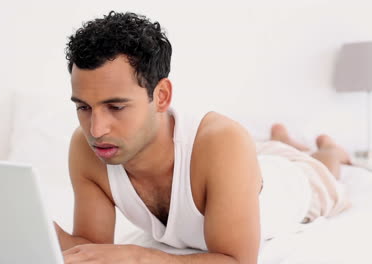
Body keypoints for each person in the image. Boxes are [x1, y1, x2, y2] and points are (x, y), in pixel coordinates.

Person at [53, 11, 351, 264]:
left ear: (161, 96)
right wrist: (31, 226)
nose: (96, 129)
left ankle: (327, 149)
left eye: (116, 107)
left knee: (322, 169)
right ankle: (283, 140)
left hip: (291, 182)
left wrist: (138, 256)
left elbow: (235, 260)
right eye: (83, 107)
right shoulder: (87, 147)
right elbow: (91, 250)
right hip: (244, 164)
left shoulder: (223, 142)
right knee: (265, 152)